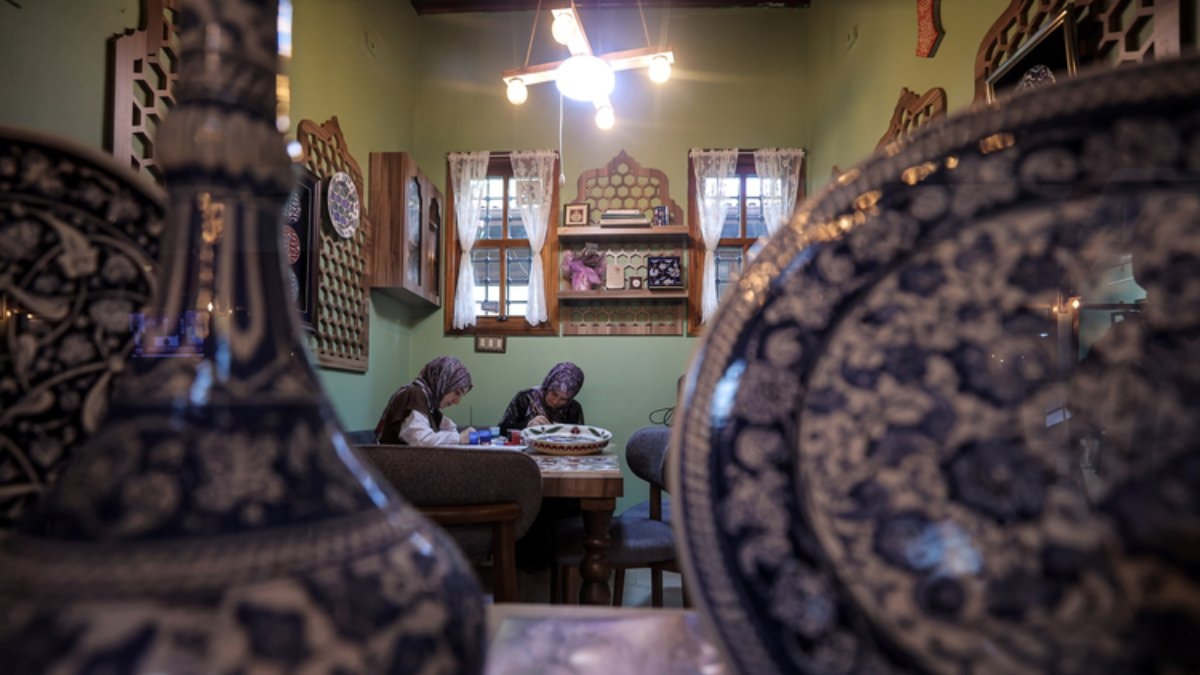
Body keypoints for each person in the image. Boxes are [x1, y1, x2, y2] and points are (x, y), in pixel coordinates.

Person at [374, 356, 476, 445]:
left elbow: (449, 427)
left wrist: (462, 436)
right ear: (442, 381)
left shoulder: (430, 404)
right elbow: (421, 440)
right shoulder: (415, 395)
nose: (456, 402)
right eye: (457, 392)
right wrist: (458, 438)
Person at [498, 361, 586, 434]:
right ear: (548, 385)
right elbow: (501, 430)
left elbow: (580, 436)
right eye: (554, 394)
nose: (555, 401)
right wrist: (527, 425)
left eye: (563, 399)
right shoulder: (525, 398)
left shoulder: (573, 408)